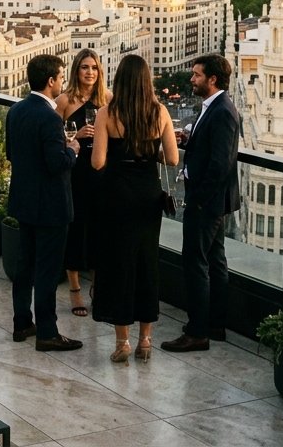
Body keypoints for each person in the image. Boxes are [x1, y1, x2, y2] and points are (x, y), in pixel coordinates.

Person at [90, 54, 178, 362]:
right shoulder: (160, 112)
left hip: (116, 195)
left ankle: (122, 342)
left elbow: (98, 162)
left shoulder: (106, 113)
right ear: (146, 80)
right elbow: (172, 159)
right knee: (146, 264)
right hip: (147, 195)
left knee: (119, 265)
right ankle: (146, 340)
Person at [163, 53, 241, 353]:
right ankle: (215, 324)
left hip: (205, 203)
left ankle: (198, 331)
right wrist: (189, 140)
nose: (191, 80)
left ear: (212, 79)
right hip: (214, 202)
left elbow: (220, 165)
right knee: (216, 261)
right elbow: (211, 150)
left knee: (195, 262)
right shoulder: (216, 107)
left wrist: (198, 201)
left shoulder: (221, 111)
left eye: (196, 75)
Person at [7, 53, 83, 352]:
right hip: (51, 205)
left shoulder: (16, 111)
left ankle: (22, 322)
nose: (62, 83)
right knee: (48, 271)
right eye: (61, 77)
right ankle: (48, 332)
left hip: (24, 200)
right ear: (51, 81)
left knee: (24, 265)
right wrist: (73, 149)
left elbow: (11, 153)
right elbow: (56, 164)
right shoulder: (50, 118)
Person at [54, 48, 110, 318]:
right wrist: (73, 138)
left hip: (100, 173)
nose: (90, 72)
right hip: (74, 173)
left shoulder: (108, 99)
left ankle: (98, 289)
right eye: (85, 67)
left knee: (100, 230)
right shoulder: (64, 101)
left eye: (94, 68)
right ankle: (75, 289)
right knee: (75, 228)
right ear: (76, 71)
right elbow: (52, 137)